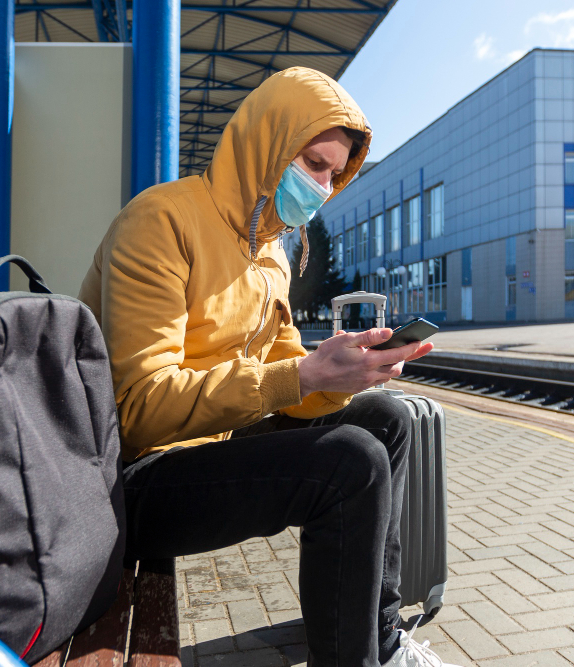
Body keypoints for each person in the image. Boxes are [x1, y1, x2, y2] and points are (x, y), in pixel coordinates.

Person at [79, 67, 461, 667]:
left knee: (387, 418)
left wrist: (342, 376)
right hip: (135, 479)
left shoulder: (271, 253)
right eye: (314, 163)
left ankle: (379, 641)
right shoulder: (161, 222)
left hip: (213, 445)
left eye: (333, 174)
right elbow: (139, 412)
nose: (324, 186)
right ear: (267, 145)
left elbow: (287, 376)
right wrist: (302, 376)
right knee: (350, 463)